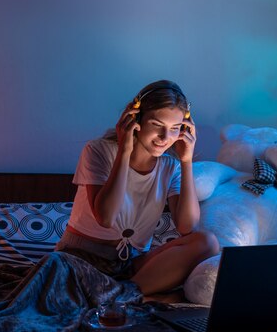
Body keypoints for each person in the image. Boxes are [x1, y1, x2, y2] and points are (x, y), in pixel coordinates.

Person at [56, 79, 219, 299]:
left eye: (174, 129)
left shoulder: (171, 167)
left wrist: (186, 161)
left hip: (131, 263)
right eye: (157, 125)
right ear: (136, 119)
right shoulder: (97, 151)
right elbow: (106, 217)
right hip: (82, 258)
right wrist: (125, 149)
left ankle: (122, 296)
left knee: (207, 242)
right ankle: (126, 295)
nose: (165, 138)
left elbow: (187, 227)